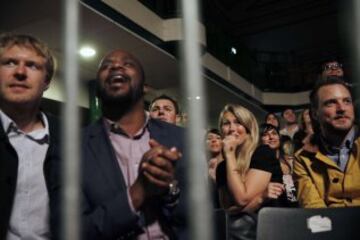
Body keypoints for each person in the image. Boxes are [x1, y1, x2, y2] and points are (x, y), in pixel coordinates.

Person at [81, 49, 187, 240]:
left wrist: (169, 188)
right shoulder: (73, 147)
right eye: (106, 66)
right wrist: (137, 193)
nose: (115, 66)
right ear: (97, 86)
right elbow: (74, 230)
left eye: (128, 64)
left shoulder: (181, 139)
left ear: (145, 87)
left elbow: (201, 214)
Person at [0, 33, 61, 240]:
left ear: (46, 81)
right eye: (9, 63)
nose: (20, 72)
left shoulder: (70, 139)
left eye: (33, 66)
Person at [216, 104, 281, 240]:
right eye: (226, 124)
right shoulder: (222, 167)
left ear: (248, 127)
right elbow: (227, 211)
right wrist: (260, 198)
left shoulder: (262, 153)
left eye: (238, 122)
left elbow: (241, 199)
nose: (232, 128)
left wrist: (229, 155)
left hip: (270, 230)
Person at [294, 77, 360, 208]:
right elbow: (315, 211)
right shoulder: (302, 159)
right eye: (330, 103)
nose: (341, 108)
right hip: (331, 226)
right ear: (314, 114)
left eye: (347, 101)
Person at [260, 124, 298, 207]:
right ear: (260, 139)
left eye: (274, 133)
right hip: (270, 209)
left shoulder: (287, 160)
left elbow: (291, 195)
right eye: (265, 135)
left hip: (289, 209)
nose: (271, 137)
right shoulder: (259, 162)